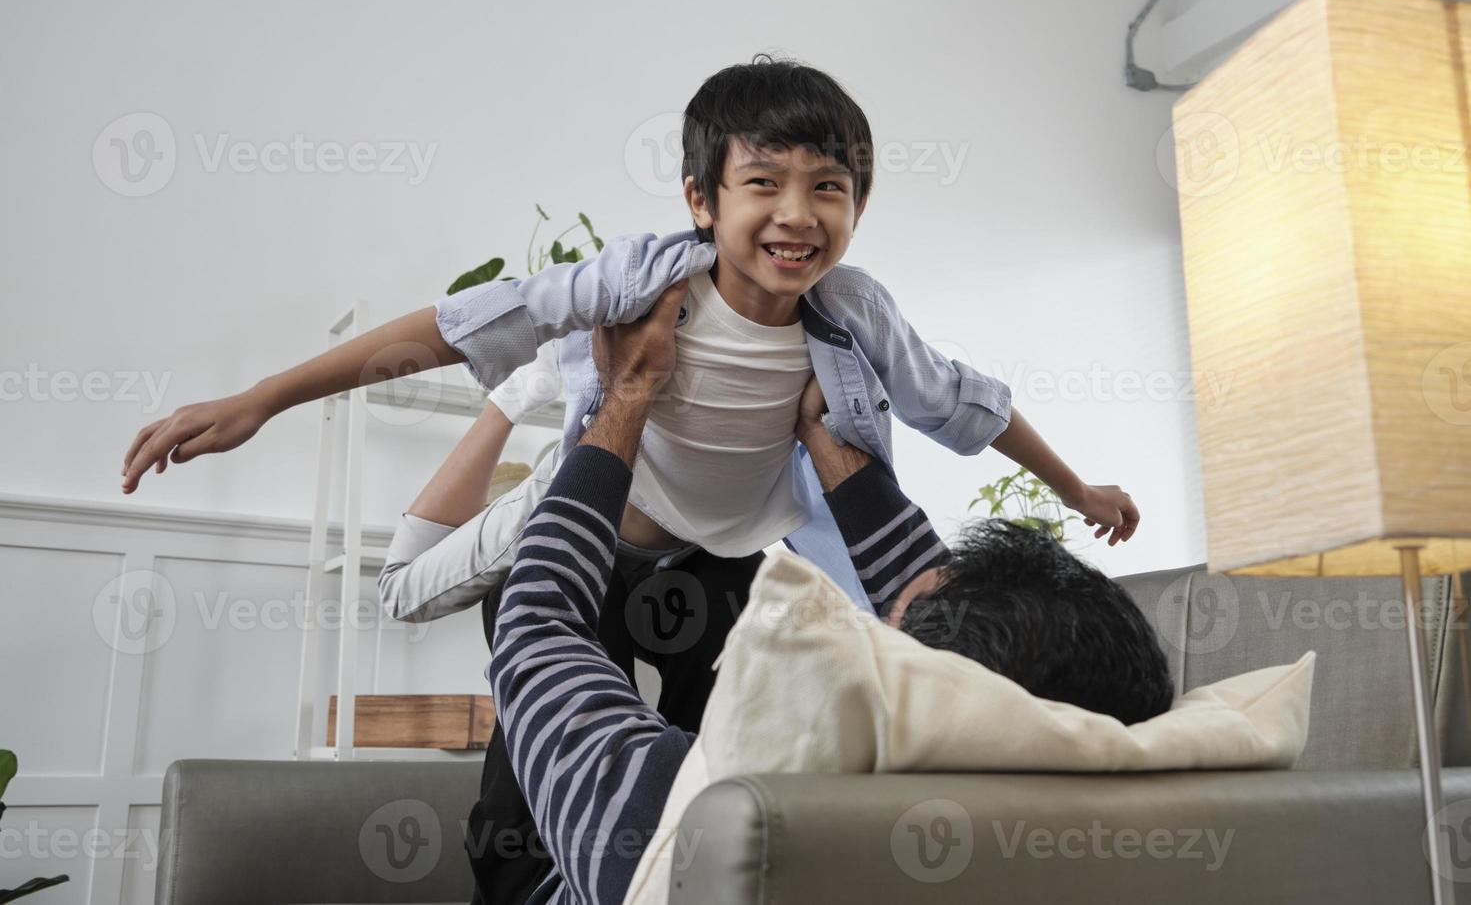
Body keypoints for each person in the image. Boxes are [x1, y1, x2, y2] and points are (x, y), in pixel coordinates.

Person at [118, 55, 1142, 902]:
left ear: (859, 204)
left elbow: (960, 400)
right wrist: (266, 395)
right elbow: (457, 323)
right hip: (595, 540)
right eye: (764, 181)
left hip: (728, 564)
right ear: (701, 198)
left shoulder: (857, 313)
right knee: (523, 780)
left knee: (716, 782)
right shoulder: (644, 280)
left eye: (829, 186)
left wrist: (1075, 486)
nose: (798, 214)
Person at [477, 282, 1172, 905]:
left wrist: (624, 396)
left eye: (886, 628)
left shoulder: (686, 831)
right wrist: (822, 433)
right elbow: (944, 635)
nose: (873, 623)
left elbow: (539, 625)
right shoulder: (1083, 825)